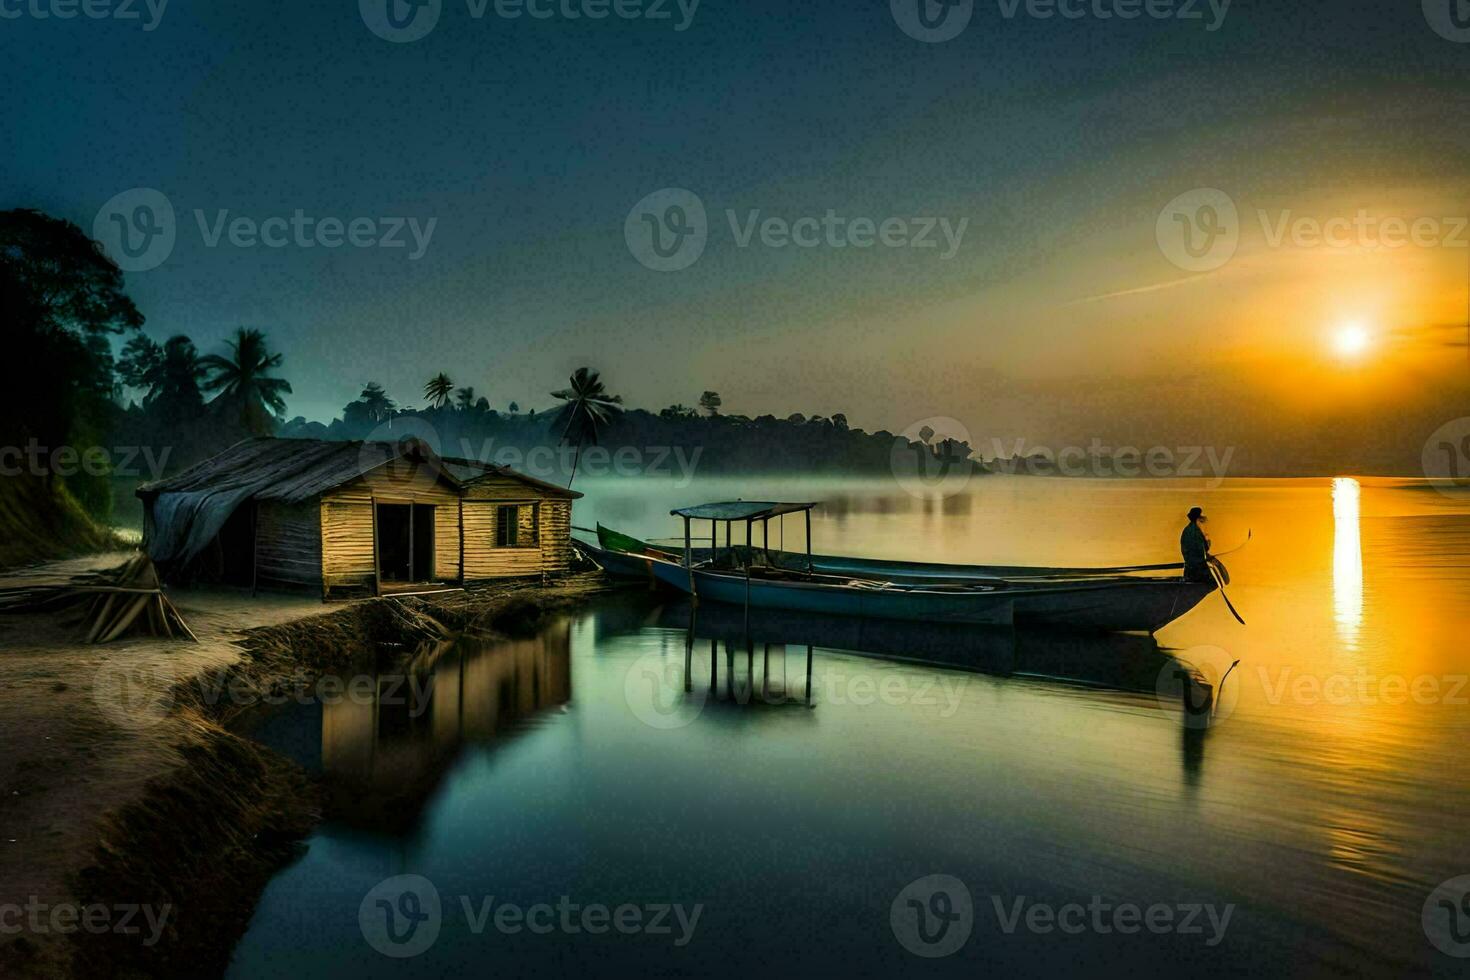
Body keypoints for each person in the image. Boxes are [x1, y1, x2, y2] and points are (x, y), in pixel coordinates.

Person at [1180, 506, 1212, 583]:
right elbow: (1201, 550)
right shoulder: (1195, 531)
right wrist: (1207, 541)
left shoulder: (1188, 529)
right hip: (1197, 569)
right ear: (1198, 518)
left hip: (1190, 567)